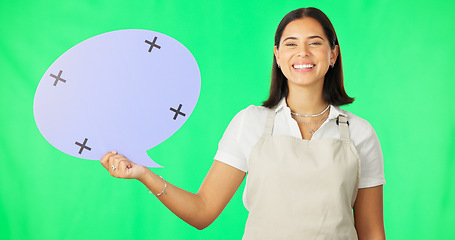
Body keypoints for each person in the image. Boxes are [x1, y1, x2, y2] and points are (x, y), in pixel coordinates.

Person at [101, 7, 386, 239]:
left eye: (315, 43)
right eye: (291, 44)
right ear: (277, 55)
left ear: (333, 54)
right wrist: (143, 174)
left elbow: (371, 230)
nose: (303, 53)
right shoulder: (251, 122)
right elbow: (203, 211)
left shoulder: (360, 133)